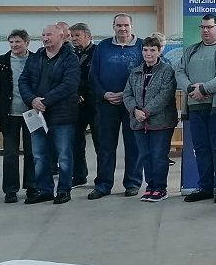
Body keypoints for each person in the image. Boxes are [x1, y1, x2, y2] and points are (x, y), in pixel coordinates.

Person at [176, 13, 216, 203]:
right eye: (202, 27)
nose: (205, 30)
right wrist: (191, 88)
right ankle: (205, 187)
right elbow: (179, 72)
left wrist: (204, 88)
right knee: (201, 148)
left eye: (209, 27)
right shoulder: (191, 50)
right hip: (195, 106)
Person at [19, 24, 80, 204]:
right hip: (37, 114)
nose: (45, 38)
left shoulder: (71, 58)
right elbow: (23, 80)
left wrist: (44, 101)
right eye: (43, 35)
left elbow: (69, 85)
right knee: (39, 155)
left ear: (61, 36)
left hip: (62, 115)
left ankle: (63, 190)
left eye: (49, 35)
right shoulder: (35, 57)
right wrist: (32, 100)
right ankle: (44, 190)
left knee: (64, 155)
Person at [88, 13, 144, 199]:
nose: (123, 29)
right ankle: (103, 185)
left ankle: (133, 183)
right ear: (113, 26)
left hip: (132, 105)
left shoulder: (142, 46)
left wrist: (128, 95)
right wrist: (104, 94)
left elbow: (148, 74)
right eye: (119, 25)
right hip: (107, 104)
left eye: (126, 25)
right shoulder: (103, 47)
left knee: (133, 145)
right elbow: (92, 75)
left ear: (132, 26)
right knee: (105, 145)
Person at [123, 35, 178, 202]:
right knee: (145, 156)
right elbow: (127, 94)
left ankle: (160, 188)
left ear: (159, 51)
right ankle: (150, 187)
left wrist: (146, 111)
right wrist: (135, 110)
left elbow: (165, 95)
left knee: (158, 156)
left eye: (152, 50)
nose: (148, 53)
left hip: (161, 122)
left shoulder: (167, 71)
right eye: (145, 50)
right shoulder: (135, 72)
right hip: (138, 121)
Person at [0, 29, 36, 203]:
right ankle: (10, 190)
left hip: (32, 113)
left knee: (32, 152)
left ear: (27, 43)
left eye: (18, 42)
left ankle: (32, 186)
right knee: (10, 154)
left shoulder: (36, 60)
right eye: (11, 42)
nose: (14, 45)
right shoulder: (1, 62)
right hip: (9, 114)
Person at [69, 22, 97, 188]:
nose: (74, 39)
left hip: (94, 104)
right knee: (76, 142)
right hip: (75, 104)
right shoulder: (70, 54)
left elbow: (96, 77)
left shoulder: (98, 53)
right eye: (72, 36)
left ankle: (103, 178)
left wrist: (83, 92)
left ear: (88, 36)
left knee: (100, 143)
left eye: (77, 35)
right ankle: (79, 175)